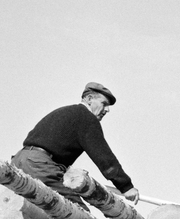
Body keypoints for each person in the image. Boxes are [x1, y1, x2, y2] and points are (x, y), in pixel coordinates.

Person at [11, 82, 139, 203]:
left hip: (19, 161)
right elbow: (104, 157)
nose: (107, 110)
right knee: (77, 213)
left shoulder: (68, 112)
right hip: (39, 165)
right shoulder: (86, 118)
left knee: (38, 211)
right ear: (89, 99)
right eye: (104, 103)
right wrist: (126, 186)